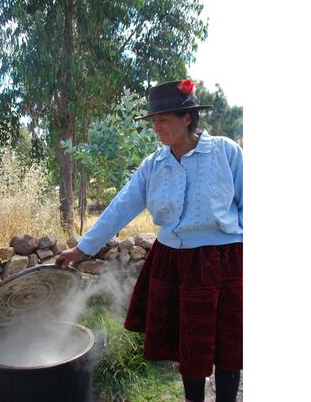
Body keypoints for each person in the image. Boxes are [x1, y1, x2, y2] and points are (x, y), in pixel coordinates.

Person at [56, 79, 242, 402]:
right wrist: (81, 248)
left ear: (188, 118)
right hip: (175, 265)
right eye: (153, 121)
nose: (156, 127)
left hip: (222, 261)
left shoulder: (226, 152)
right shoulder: (154, 166)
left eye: (163, 119)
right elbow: (120, 208)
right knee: (190, 348)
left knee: (229, 345)